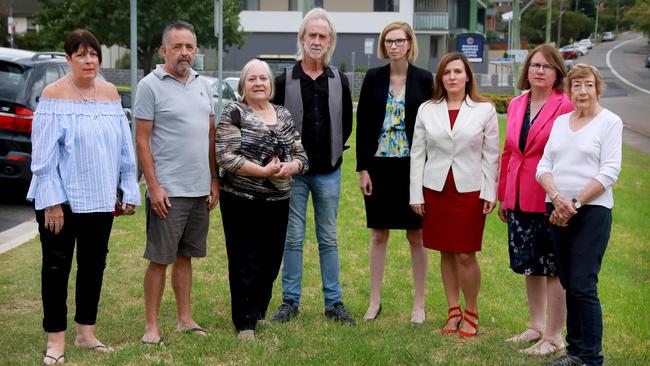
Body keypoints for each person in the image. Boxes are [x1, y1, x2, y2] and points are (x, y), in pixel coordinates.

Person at [27, 29, 140, 365]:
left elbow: (123, 149)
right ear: (68, 59)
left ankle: (86, 334)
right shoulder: (53, 95)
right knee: (56, 267)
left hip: (100, 200)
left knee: (93, 266)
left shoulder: (110, 94)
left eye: (93, 54)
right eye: (81, 55)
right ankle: (56, 341)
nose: (88, 60)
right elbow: (43, 158)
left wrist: (128, 188)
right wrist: (52, 201)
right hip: (60, 203)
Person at [134, 21, 219, 345]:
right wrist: (153, 186)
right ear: (164, 50)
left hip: (199, 190)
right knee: (160, 258)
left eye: (190, 47)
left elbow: (210, 135)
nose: (184, 53)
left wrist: (214, 179)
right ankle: (151, 326)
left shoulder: (202, 84)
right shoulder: (149, 86)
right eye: (178, 46)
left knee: (185, 257)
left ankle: (185, 319)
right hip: (168, 191)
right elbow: (142, 141)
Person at [270, 7, 355, 325]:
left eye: (323, 36)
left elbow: (346, 124)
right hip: (294, 175)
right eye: (312, 35)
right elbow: (273, 124)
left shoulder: (339, 80)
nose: (317, 41)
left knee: (329, 238)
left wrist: (331, 151)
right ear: (302, 39)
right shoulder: (284, 79)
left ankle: (334, 303)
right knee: (292, 239)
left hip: (329, 171)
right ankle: (290, 302)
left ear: (330, 41)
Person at [409, 52, 500, 337]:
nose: (452, 77)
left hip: (470, 190)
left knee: (465, 254)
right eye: (447, 72)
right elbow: (417, 154)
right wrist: (416, 195)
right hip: (435, 190)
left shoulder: (484, 110)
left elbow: (491, 155)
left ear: (467, 76)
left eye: (458, 72)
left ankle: (471, 313)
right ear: (440, 78)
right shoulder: (427, 109)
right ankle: (452, 314)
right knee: (446, 252)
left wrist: (490, 191)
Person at [217, 59, 308, 340]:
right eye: (252, 79)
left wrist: (290, 167)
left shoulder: (283, 114)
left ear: (271, 85)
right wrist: (263, 171)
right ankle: (244, 322)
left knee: (271, 260)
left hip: (278, 200)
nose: (258, 83)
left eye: (263, 79)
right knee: (245, 259)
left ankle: (258, 311)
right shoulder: (234, 111)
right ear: (243, 86)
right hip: (241, 199)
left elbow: (301, 155)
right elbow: (226, 156)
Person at [538, 64, 622, 366]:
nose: (583, 91)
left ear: (597, 87)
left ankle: (591, 357)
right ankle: (574, 353)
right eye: (576, 86)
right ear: (569, 90)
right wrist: (558, 198)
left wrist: (574, 203)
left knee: (584, 284)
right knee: (569, 283)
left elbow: (610, 170)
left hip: (592, 212)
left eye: (588, 85)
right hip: (559, 210)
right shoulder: (561, 123)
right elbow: (543, 166)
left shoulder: (610, 122)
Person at [498, 44, 574, 355]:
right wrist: (504, 194)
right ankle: (536, 325)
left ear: (557, 73)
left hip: (549, 196)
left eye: (546, 66)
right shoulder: (516, 104)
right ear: (526, 70)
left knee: (553, 266)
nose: (538, 71)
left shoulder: (565, 106)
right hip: (517, 194)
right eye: (534, 65)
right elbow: (508, 152)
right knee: (530, 264)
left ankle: (554, 336)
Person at [355, 21, 433, 324]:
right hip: (379, 166)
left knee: (417, 235)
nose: (394, 46)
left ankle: (419, 303)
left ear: (409, 44)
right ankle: (374, 301)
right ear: (383, 45)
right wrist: (363, 168)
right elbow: (362, 126)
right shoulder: (373, 78)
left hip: (412, 168)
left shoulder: (424, 79)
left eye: (399, 41)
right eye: (388, 41)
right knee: (379, 235)